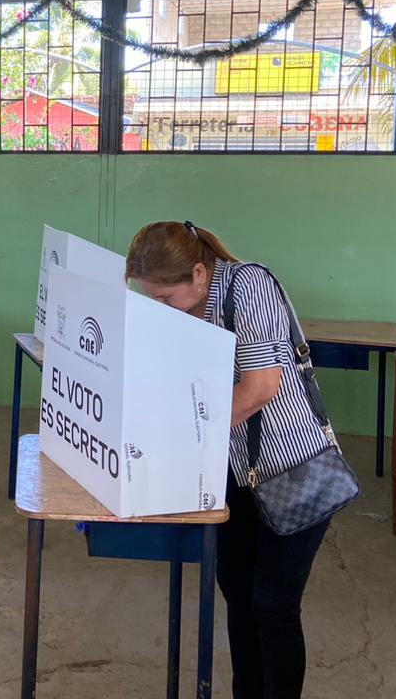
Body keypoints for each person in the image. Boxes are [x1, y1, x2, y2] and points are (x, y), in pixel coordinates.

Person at [126, 220, 336, 699]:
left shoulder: (250, 288)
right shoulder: (186, 309)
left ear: (199, 274)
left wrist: (178, 436)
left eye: (165, 298)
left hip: (294, 468)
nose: (160, 309)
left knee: (274, 604)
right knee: (238, 595)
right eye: (149, 299)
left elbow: (260, 388)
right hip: (236, 468)